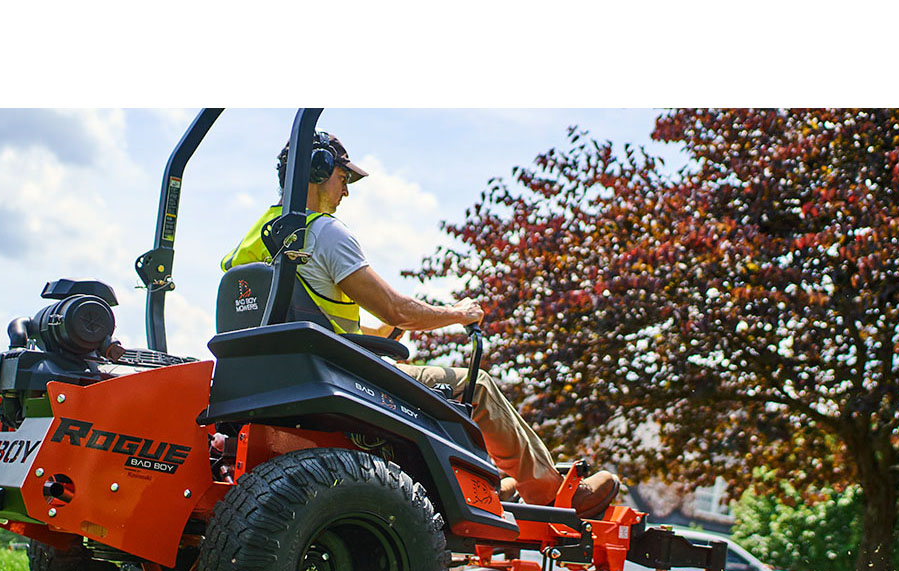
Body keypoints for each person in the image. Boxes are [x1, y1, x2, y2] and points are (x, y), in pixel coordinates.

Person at [221, 132, 620, 518]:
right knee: (474, 386)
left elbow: (299, 320)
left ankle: (487, 482)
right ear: (318, 169)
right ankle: (549, 493)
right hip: (340, 378)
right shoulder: (323, 231)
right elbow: (397, 309)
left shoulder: (251, 241)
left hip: (283, 380)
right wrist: (458, 313)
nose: (346, 192)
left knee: (406, 364)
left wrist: (383, 337)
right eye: (344, 179)